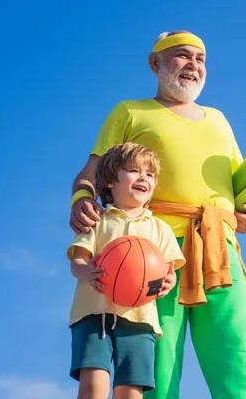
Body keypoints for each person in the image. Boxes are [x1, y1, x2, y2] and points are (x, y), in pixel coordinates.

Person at [69, 30, 246, 399]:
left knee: (237, 351)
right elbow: (92, 172)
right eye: (182, 56)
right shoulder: (130, 111)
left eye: (200, 59)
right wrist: (82, 198)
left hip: (219, 250)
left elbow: (243, 186)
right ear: (155, 63)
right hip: (152, 251)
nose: (193, 65)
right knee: (159, 359)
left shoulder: (219, 120)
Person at [67, 142, 186, 399]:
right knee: (93, 384)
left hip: (140, 319)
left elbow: (169, 272)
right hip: (93, 313)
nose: (144, 177)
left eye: (150, 174)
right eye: (134, 170)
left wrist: (167, 282)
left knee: (131, 390)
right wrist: (87, 272)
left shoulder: (160, 228)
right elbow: (77, 262)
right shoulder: (98, 221)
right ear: (111, 181)